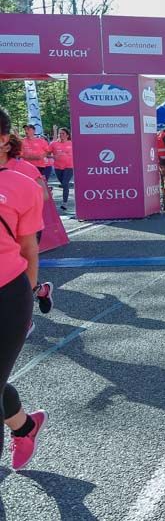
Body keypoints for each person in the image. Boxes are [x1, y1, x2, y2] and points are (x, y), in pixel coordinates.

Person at [0, 106, 48, 471]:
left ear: (4, 138)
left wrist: (30, 295)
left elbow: (29, 247)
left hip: (8, 295)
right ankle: (25, 426)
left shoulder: (22, 185)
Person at [50, 129, 75, 208]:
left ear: (67, 135)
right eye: (59, 133)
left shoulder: (72, 143)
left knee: (65, 183)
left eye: (63, 133)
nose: (61, 135)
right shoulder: (53, 144)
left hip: (69, 167)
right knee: (64, 184)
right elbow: (46, 154)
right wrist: (53, 156)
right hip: (58, 167)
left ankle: (64, 203)